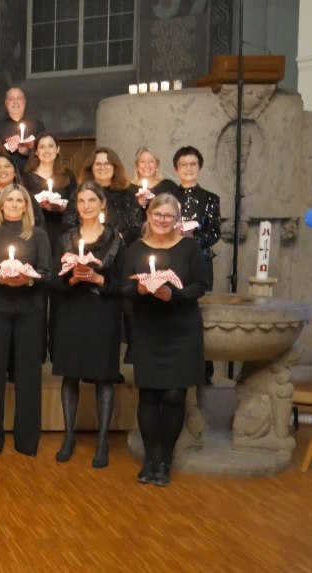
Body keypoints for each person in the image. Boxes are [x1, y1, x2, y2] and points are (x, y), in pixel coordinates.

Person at [121, 193, 210, 486]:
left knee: (174, 395)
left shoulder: (189, 248)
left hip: (181, 328)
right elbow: (124, 287)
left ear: (176, 219)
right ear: (149, 216)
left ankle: (165, 461)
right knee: (148, 395)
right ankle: (150, 460)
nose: (162, 220)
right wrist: (141, 290)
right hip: (148, 328)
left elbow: (201, 285)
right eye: (157, 214)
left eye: (168, 216)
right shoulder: (135, 249)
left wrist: (174, 294)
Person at [0, 184, 52, 457]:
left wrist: (27, 280)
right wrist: (1, 280)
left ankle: (27, 441)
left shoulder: (38, 236)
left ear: (27, 206)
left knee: (29, 376)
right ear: (2, 205)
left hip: (29, 311)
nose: (15, 204)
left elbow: (46, 273)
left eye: (20, 200)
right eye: (10, 200)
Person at [51, 182, 125, 468]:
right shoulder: (65, 238)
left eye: (92, 200)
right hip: (72, 310)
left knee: (103, 377)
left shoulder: (115, 239)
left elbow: (122, 283)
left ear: (102, 203)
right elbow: (55, 282)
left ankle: (102, 441)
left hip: (103, 311)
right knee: (70, 375)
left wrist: (98, 279)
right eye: (81, 201)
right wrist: (72, 279)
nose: (86, 206)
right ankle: (68, 437)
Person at [171, 145, 220, 383]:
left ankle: (203, 368)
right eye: (184, 164)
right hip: (174, 261)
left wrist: (192, 237)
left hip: (200, 262)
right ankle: (177, 364)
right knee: (174, 311)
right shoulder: (169, 198)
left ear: (199, 167)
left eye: (193, 164)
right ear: (176, 169)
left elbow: (214, 233)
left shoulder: (210, 198)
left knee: (201, 314)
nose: (188, 168)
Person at [63, 147, 140, 245]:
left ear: (114, 167)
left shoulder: (127, 195)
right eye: (98, 164)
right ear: (91, 168)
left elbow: (135, 227)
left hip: (118, 248)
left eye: (107, 163)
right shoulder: (79, 194)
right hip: (86, 246)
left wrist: (117, 240)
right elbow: (68, 224)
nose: (102, 167)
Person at [21, 132, 75, 249]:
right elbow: (21, 205)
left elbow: (75, 204)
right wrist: (38, 205)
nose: (46, 151)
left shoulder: (68, 176)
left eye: (50, 146)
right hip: (34, 231)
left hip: (62, 231)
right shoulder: (25, 177)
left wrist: (63, 208)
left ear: (57, 149)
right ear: (36, 152)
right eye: (42, 147)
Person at [0, 87, 46, 172]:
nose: (15, 102)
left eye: (19, 98)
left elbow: (44, 150)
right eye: (11, 99)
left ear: (24, 101)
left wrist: (28, 151)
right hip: (4, 174)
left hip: (32, 173)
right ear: (6, 103)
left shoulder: (37, 126)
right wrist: (7, 147)